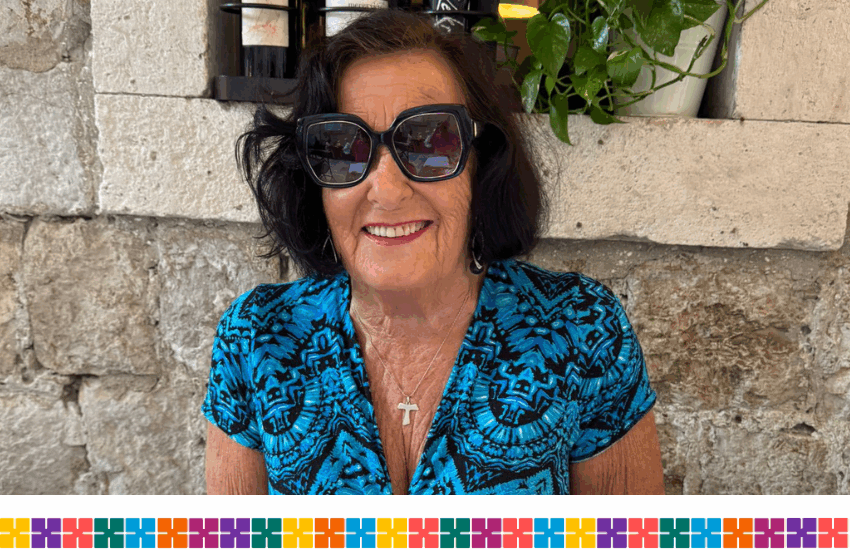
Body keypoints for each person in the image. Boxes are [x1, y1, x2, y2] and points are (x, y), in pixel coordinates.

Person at [203, 8, 664, 495]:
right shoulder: (257, 341)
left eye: (429, 142)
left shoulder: (582, 331)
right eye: (343, 148)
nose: (386, 190)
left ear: (481, 164)